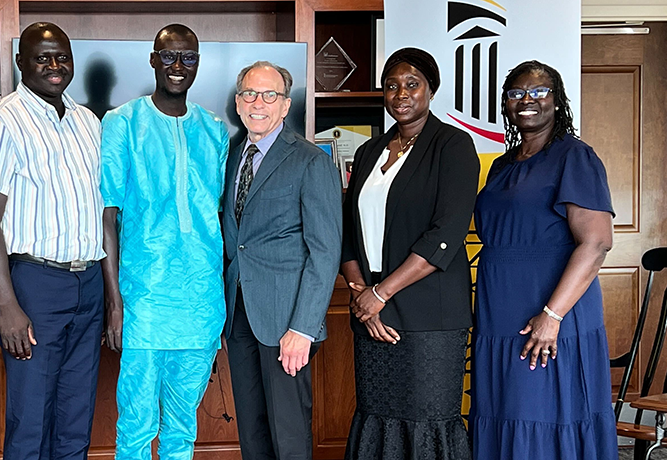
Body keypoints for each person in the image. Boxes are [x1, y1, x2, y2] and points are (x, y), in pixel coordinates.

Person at [0, 22, 105, 460]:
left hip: (88, 287)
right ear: (20, 64)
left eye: (61, 57)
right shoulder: (1, 120)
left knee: (75, 418)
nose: (54, 65)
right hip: (34, 285)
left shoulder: (88, 122)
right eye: (41, 57)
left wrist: (110, 295)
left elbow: (102, 212)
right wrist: (7, 305)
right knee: (31, 420)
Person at [470, 60, 617, 459]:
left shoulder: (575, 157)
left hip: (551, 310)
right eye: (516, 93)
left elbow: (597, 243)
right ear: (505, 104)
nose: (527, 100)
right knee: (503, 410)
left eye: (539, 91)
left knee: (543, 411)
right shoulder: (502, 165)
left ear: (558, 99)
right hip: (499, 312)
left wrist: (551, 316)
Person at [339, 47, 476, 459]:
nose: (401, 94)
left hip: (429, 313)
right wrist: (364, 294)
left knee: (427, 418)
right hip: (372, 312)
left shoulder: (452, 145)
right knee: (377, 414)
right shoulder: (367, 152)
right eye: (392, 86)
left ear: (430, 90)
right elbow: (348, 230)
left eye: (412, 84)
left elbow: (445, 236)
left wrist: (380, 295)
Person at [100, 24, 230, 460]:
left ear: (198, 64)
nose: (178, 66)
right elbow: (108, 213)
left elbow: (219, 217)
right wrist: (115, 301)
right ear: (153, 60)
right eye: (169, 56)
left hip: (201, 303)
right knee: (135, 428)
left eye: (188, 57)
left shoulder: (214, 131)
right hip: (144, 300)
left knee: (182, 429)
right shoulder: (122, 123)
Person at [221, 61, 342, 460]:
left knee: (288, 439)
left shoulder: (310, 160)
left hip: (287, 326)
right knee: (252, 436)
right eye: (250, 95)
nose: (259, 103)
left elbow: (324, 251)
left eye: (270, 95)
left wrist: (303, 329)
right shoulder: (233, 157)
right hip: (240, 318)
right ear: (238, 103)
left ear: (286, 105)